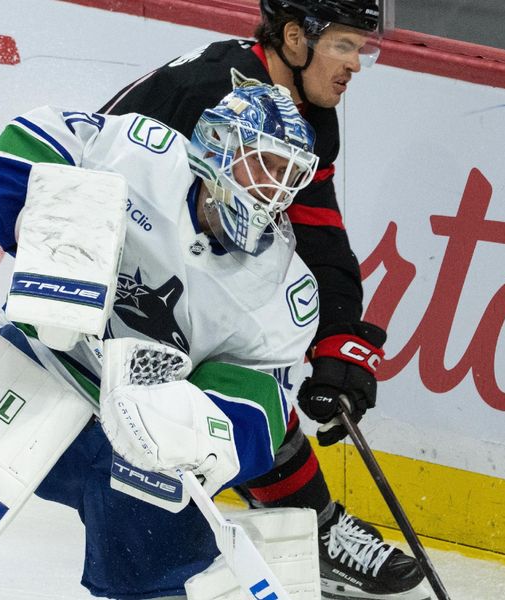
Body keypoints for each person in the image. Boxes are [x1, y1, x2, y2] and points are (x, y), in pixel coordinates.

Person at [0, 82, 328, 598]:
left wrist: (196, 431)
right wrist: (46, 224)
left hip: (141, 453)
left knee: (166, 587)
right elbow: (13, 153)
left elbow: (257, 409)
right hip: (45, 368)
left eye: (288, 175)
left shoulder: (285, 287)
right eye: (265, 164)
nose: (274, 189)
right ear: (218, 144)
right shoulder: (139, 151)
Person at [101, 1, 427, 597]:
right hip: (118, 283)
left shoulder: (308, 118)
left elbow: (321, 238)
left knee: (252, 381)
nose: (355, 65)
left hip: (188, 288)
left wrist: (336, 341)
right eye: (345, 46)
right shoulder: (202, 87)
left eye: (364, 50)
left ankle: (315, 530)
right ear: (297, 38)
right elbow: (91, 171)